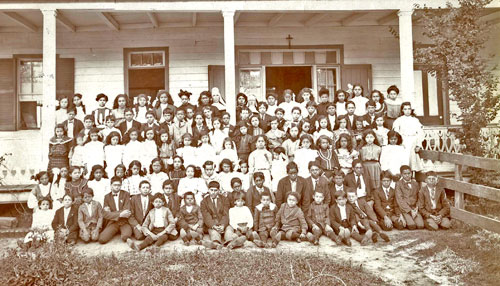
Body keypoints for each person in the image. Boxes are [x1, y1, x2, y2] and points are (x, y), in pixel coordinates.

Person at [392, 102, 424, 175]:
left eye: (409, 109)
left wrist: (418, 144)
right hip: (403, 141)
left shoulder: (415, 120)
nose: (407, 111)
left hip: (413, 140)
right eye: (405, 109)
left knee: (413, 160)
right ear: (402, 110)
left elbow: (420, 133)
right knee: (404, 159)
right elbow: (396, 133)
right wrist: (399, 143)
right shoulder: (398, 120)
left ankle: (412, 176)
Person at [98, 176, 133, 244]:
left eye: (119, 185)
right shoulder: (107, 197)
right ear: (111, 186)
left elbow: (127, 211)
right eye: (115, 185)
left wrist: (112, 213)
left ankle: (123, 234)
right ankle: (115, 231)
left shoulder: (126, 194)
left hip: (124, 222)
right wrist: (120, 214)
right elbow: (105, 214)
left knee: (126, 236)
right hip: (113, 222)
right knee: (102, 239)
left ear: (121, 185)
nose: (117, 187)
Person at [200, 181, 230, 249]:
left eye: (215, 190)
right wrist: (213, 225)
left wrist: (223, 225)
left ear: (219, 191)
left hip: (223, 222)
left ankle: (231, 242)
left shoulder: (224, 199)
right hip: (212, 224)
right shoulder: (204, 202)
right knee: (214, 233)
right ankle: (216, 243)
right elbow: (206, 216)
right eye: (211, 190)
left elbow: (226, 214)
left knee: (229, 230)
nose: (213, 192)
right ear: (208, 190)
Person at [395, 165, 424, 230]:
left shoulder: (415, 184)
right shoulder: (398, 184)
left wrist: (416, 209)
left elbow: (419, 197)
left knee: (420, 226)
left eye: (409, 173)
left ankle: (422, 219)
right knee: (412, 226)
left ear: (411, 173)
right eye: (405, 174)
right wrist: (410, 211)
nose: (407, 175)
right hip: (405, 209)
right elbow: (400, 200)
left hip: (414, 208)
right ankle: (406, 219)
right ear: (401, 174)